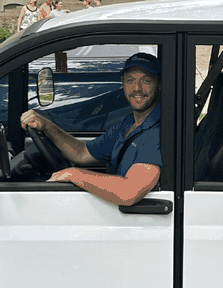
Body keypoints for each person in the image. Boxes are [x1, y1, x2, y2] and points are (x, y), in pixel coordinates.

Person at [20, 52, 162, 204]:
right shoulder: (128, 124)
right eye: (130, 80)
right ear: (122, 83)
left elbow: (129, 192)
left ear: (159, 84)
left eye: (146, 81)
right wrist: (47, 126)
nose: (137, 88)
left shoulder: (158, 132)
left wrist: (74, 174)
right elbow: (82, 152)